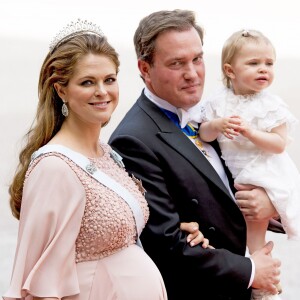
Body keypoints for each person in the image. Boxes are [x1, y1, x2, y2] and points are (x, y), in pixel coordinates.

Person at [3, 19, 208, 300]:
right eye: (87, 82)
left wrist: (178, 232)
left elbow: (111, 233)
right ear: (61, 90)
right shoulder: (54, 167)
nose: (102, 91)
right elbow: (39, 284)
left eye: (109, 80)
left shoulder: (108, 154)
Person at [109, 10, 282, 300]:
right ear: (145, 68)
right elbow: (166, 243)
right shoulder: (134, 139)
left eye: (197, 59)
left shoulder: (211, 113)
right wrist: (251, 272)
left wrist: (268, 204)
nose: (192, 73)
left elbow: (239, 179)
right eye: (176, 63)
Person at [199, 29, 300, 299]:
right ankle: (256, 272)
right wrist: (217, 125)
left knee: (255, 226)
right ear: (230, 71)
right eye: (254, 63)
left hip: (263, 170)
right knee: (238, 226)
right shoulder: (218, 101)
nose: (263, 69)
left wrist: (251, 133)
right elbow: (203, 134)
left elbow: (279, 144)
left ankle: (262, 281)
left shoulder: (271, 105)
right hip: (237, 170)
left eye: (269, 63)